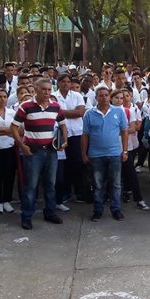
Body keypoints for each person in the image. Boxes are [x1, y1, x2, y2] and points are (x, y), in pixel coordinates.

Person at [11, 78, 68, 230]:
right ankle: (27, 216)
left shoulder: (56, 106)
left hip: (51, 151)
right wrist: (22, 145)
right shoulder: (26, 106)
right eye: (44, 89)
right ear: (36, 89)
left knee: (50, 184)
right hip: (33, 151)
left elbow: (63, 124)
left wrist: (65, 141)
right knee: (30, 185)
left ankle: (50, 212)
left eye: (49, 90)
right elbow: (13, 127)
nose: (47, 93)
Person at [81, 87, 129, 222]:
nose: (104, 98)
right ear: (96, 98)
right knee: (98, 185)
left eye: (106, 95)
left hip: (114, 154)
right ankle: (97, 210)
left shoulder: (118, 112)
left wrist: (125, 151)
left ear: (109, 97)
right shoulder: (89, 114)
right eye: (101, 95)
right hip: (96, 155)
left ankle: (116, 210)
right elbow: (85, 136)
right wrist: (84, 154)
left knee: (116, 184)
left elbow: (124, 132)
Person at [54, 73, 87, 207]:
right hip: (61, 133)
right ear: (58, 83)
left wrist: (61, 112)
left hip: (77, 133)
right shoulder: (53, 97)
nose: (66, 84)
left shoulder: (77, 95)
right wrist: (69, 112)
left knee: (77, 162)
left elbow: (80, 112)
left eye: (68, 82)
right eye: (63, 81)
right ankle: (64, 193)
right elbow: (53, 113)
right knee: (63, 164)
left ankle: (79, 192)